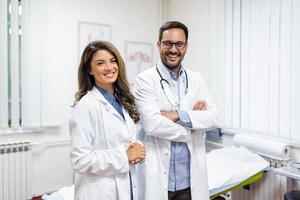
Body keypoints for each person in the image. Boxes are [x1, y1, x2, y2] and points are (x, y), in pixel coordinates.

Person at [134, 21, 218, 200]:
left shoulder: (196, 79)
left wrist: (176, 114)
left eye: (179, 44)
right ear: (159, 45)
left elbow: (212, 118)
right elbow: (152, 125)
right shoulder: (145, 80)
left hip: (189, 179)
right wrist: (192, 126)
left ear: (186, 46)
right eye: (168, 43)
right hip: (159, 178)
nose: (173, 50)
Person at [70, 40, 146, 200]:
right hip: (100, 192)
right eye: (100, 63)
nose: (109, 67)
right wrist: (125, 156)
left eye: (113, 61)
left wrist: (137, 147)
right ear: (89, 70)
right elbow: (80, 160)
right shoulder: (86, 106)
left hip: (127, 186)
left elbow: (127, 138)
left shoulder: (123, 100)